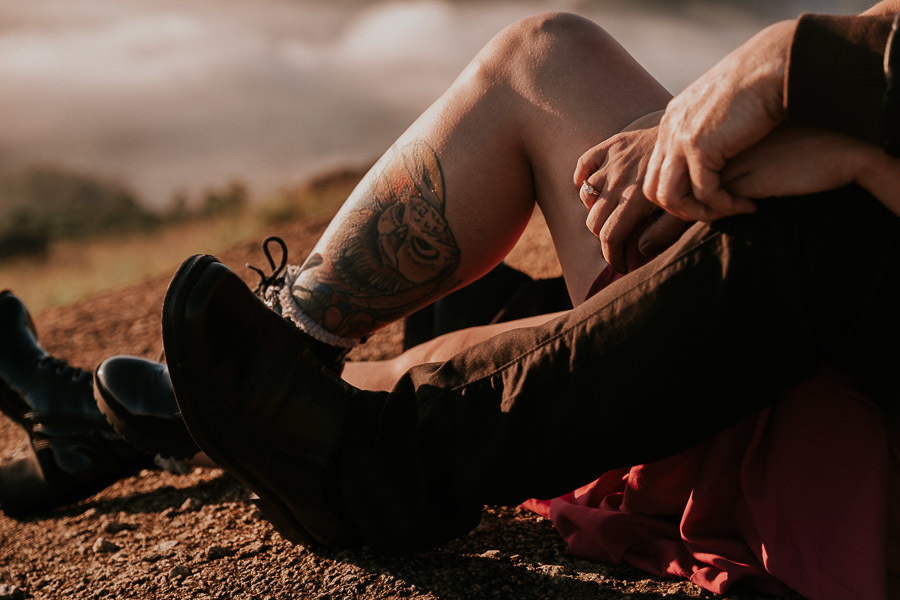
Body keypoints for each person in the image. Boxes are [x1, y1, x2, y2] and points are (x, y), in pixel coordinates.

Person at [2, 3, 898, 597]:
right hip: (833, 294)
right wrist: (820, 115)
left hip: (836, 330)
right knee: (550, 58)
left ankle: (316, 447)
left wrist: (810, 91)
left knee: (801, 232)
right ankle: (237, 368)